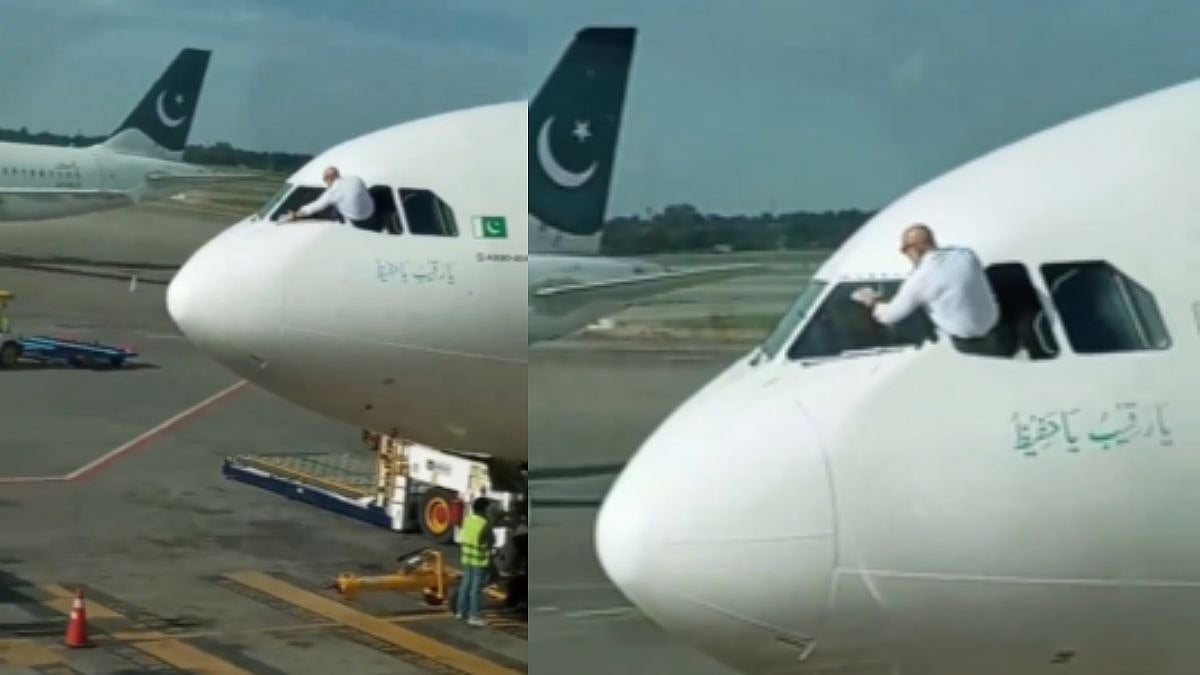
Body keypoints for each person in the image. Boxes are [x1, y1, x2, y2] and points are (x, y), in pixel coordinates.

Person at [851, 224, 1008, 355]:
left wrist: (873, 301)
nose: (906, 255)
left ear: (915, 249)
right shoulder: (966, 255)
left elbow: (888, 316)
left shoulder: (920, 279)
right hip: (997, 332)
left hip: (965, 345)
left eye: (905, 250)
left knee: (917, 307)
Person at [281, 166, 376, 229]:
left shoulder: (332, 192)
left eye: (324, 179)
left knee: (333, 206)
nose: (325, 182)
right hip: (371, 212)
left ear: (329, 178)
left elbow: (314, 207)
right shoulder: (356, 179)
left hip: (357, 220)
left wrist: (295, 215)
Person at [456, 497, 494, 627]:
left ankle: (461, 611)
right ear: (484, 509)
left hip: (466, 558)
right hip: (479, 561)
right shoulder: (485, 524)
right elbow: (491, 542)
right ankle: (474, 616)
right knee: (476, 589)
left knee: (465, 585)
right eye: (489, 508)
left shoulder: (468, 520)